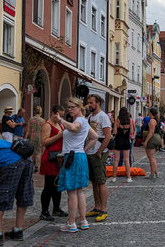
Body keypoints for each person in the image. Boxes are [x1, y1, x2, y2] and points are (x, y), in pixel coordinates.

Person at [56, 98, 98, 233]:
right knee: (79, 191)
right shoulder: (84, 121)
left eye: (72, 107)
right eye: (68, 107)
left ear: (79, 107)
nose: (69, 109)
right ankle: (83, 221)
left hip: (72, 157)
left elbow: (74, 128)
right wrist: (83, 150)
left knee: (72, 193)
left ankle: (71, 223)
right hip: (80, 156)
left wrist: (61, 121)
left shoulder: (79, 121)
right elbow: (95, 136)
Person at [84, 94, 112, 223]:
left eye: (91, 103)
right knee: (94, 182)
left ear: (98, 103)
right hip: (90, 151)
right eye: (88, 103)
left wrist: (100, 151)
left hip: (98, 152)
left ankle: (103, 210)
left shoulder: (103, 116)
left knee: (101, 181)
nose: (89, 105)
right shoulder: (90, 116)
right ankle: (97, 206)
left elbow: (108, 136)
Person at [39, 105, 68, 222]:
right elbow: (44, 141)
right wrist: (58, 136)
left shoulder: (59, 124)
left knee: (57, 184)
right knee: (49, 185)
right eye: (59, 115)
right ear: (53, 114)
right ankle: (44, 211)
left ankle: (56, 208)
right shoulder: (47, 125)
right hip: (51, 157)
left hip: (59, 157)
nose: (60, 118)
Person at [112, 107, 135, 183]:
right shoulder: (130, 121)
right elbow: (131, 132)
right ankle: (128, 177)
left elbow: (115, 132)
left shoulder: (117, 121)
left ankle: (114, 177)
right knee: (127, 160)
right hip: (126, 140)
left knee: (116, 160)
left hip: (118, 140)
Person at [143, 107, 162, 179]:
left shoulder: (152, 121)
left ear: (150, 113)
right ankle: (155, 172)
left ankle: (152, 174)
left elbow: (151, 132)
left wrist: (146, 141)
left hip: (153, 138)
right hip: (157, 137)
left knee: (151, 157)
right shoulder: (158, 120)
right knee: (152, 157)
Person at [26, 106, 45, 172]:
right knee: (39, 152)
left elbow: (28, 130)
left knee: (31, 152)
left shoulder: (30, 119)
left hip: (32, 137)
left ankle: (31, 165)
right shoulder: (42, 120)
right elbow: (43, 130)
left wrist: (25, 138)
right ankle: (37, 166)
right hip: (39, 137)